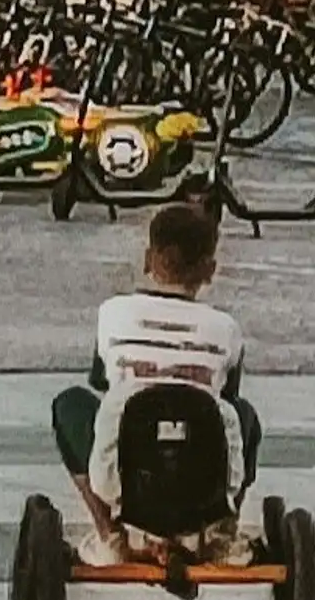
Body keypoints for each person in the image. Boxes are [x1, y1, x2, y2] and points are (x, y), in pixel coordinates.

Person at [51, 199, 257, 566]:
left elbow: (103, 382)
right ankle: (222, 533)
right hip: (201, 483)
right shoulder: (226, 330)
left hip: (127, 477)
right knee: (243, 415)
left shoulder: (113, 314)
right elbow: (226, 398)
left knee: (71, 404)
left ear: (149, 260)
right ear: (210, 269)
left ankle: (110, 533)